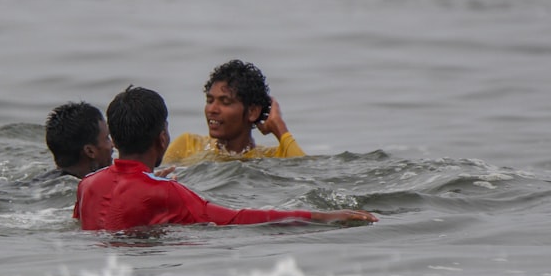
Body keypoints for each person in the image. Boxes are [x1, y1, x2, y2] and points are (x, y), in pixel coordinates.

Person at [74, 86, 378, 231]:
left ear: (114, 139)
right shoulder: (168, 192)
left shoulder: (87, 184)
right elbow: (238, 218)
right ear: (162, 139)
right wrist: (322, 217)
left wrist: (151, 184)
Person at [163, 59, 305, 165]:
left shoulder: (270, 158)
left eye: (225, 102)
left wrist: (279, 128)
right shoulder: (188, 145)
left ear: (252, 112)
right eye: (210, 100)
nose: (212, 109)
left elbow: (305, 173)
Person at [44, 101, 114, 178]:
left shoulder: (39, 183)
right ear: (90, 151)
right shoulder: (91, 187)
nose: (112, 145)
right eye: (107, 138)